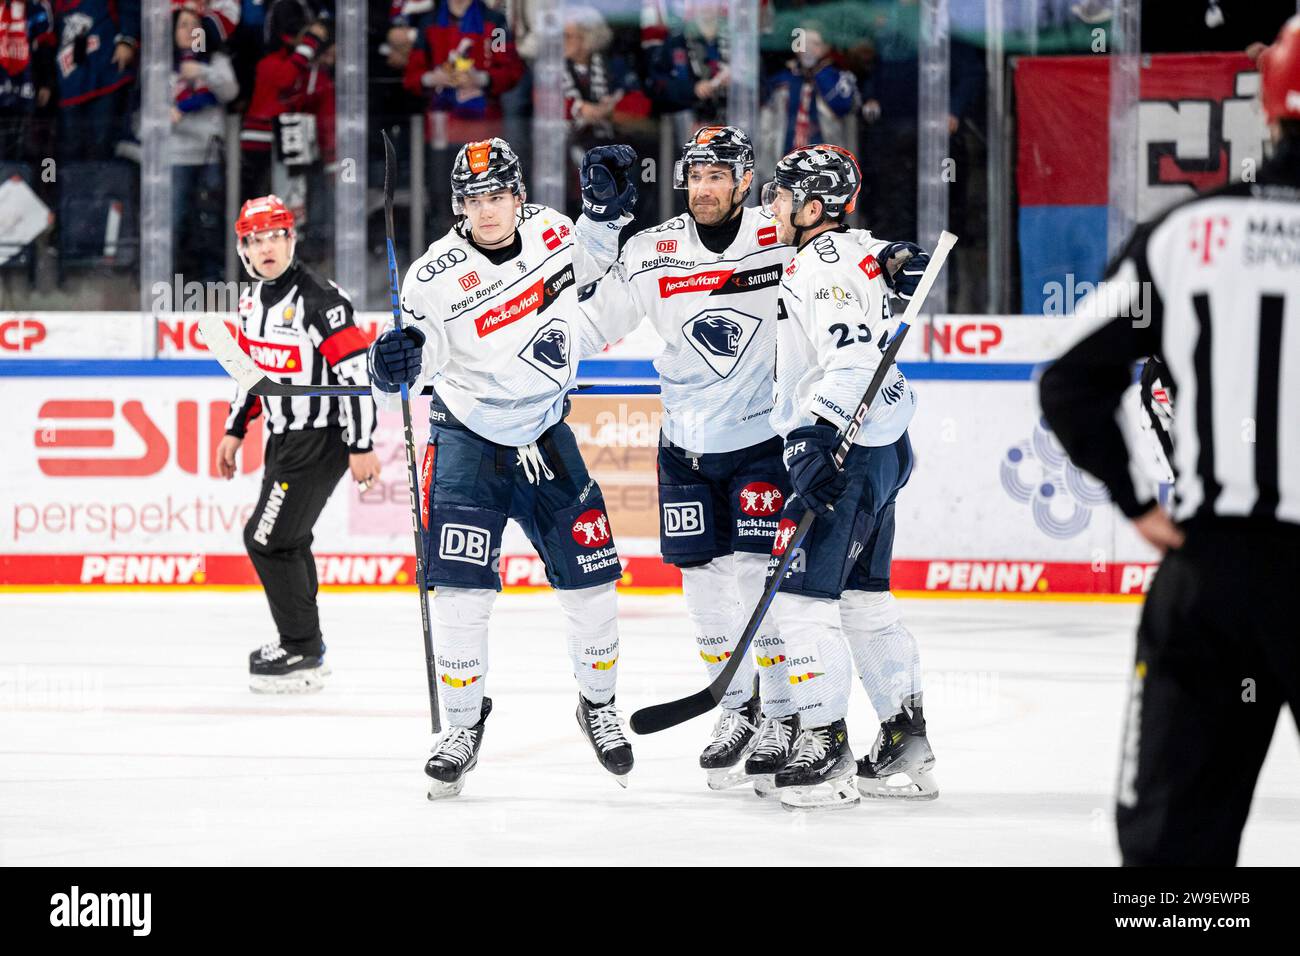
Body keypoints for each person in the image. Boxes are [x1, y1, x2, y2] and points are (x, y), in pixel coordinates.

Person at [582, 127, 935, 798]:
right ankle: (896, 732)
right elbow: (589, 320)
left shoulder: (794, 248)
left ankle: (806, 730)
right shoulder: (663, 250)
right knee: (848, 600)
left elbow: (852, 312)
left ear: (747, 184)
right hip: (746, 445)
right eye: (695, 173)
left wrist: (811, 437)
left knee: (792, 598)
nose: (708, 186)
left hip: (794, 447)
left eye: (727, 176)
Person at [1039, 17, 1300, 866]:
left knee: (1173, 859)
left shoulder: (1190, 232)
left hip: (1212, 574)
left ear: (1271, 110)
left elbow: (1070, 380)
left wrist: (1135, 501)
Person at [365, 137, 640, 799]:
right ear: (460, 205)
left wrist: (604, 212)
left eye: (498, 196)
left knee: (592, 584)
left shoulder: (550, 230)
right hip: (468, 440)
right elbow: (417, 354)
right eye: (474, 199)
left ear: (519, 195)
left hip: (546, 434)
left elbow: (595, 255)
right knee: (461, 595)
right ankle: (462, 727)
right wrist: (393, 360)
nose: (487, 211)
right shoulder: (432, 274)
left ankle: (597, 707)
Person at [759, 143, 939, 810]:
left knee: (804, 605)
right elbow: (883, 254)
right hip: (888, 444)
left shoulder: (817, 267)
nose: (770, 206)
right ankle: (904, 739)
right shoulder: (850, 247)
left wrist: (811, 436)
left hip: (846, 446)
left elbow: (854, 355)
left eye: (780, 196)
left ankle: (824, 745)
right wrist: (896, 256)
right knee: (865, 601)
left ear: (811, 208)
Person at [216, 195, 380, 694]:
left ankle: (302, 649)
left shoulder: (319, 300)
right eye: (255, 239)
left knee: (266, 539)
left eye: (275, 236)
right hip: (281, 438)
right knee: (289, 538)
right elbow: (251, 375)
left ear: (292, 239)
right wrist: (235, 427)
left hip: (321, 440)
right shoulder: (250, 302)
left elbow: (355, 373)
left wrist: (361, 443)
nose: (266, 247)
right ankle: (306, 646)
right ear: (243, 248)